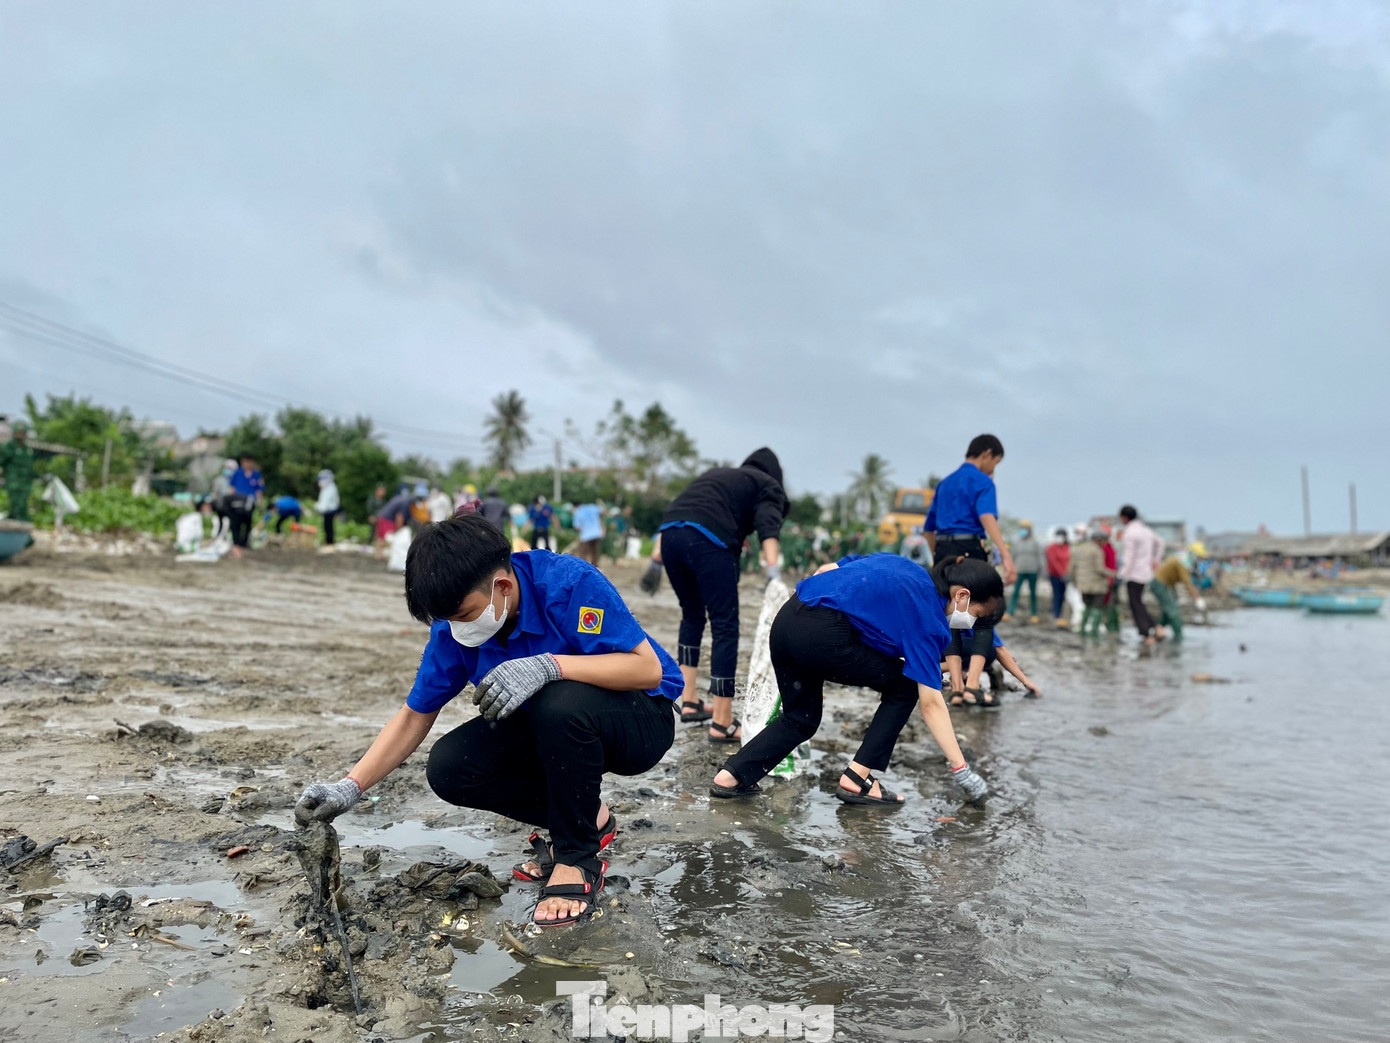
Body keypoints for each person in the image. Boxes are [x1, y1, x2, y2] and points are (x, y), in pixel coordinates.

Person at [293, 514, 681, 928]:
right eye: (446, 620)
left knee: (558, 700)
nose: (456, 628)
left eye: (464, 614)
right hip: (552, 729)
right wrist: (349, 787)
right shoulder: (453, 626)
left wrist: (552, 666)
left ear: (503, 586)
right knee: (451, 767)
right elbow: (414, 715)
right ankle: (590, 818)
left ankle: (576, 858)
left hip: (640, 717)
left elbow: (646, 670)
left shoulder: (568, 584)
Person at [709, 554, 994, 806]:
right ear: (962, 595)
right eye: (977, 614)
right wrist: (962, 770)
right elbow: (931, 704)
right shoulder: (929, 618)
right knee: (904, 688)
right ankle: (858, 778)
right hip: (823, 633)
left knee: (801, 718)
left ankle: (731, 776)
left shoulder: (902, 564)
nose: (971, 622)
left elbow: (828, 568)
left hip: (788, 619)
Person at [653, 448, 788, 739]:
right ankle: (722, 720)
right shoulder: (768, 486)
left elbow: (685, 510)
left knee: (692, 616)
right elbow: (767, 526)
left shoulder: (720, 477)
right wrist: (773, 572)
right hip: (708, 539)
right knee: (725, 625)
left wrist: (655, 560)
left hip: (670, 534)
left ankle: (689, 700)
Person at [924, 435, 1015, 583]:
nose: (993, 468)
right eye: (995, 462)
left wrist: (938, 557)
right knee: (971, 603)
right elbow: (986, 516)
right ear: (987, 454)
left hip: (942, 552)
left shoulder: (944, 484)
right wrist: (1006, 555)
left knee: (944, 603)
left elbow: (928, 530)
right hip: (969, 552)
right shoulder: (983, 482)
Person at [1116, 505, 1165, 646]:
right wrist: (1156, 560)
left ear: (1124, 517)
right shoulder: (1146, 530)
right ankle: (1156, 628)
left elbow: (1128, 558)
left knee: (1135, 604)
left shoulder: (1130, 533)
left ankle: (1146, 634)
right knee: (1139, 603)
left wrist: (1121, 575)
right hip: (1146, 572)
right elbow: (1161, 542)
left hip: (1134, 574)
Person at [1069, 527, 1115, 637]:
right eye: (1104, 540)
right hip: (1096, 586)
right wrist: (1114, 574)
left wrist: (1075, 581)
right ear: (1098, 540)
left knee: (1087, 607)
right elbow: (1100, 569)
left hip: (1082, 585)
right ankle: (1094, 631)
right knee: (1097, 607)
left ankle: (1084, 629)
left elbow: (1072, 567)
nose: (1105, 543)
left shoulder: (1080, 549)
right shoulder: (1097, 551)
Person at [1152, 553, 1205, 641]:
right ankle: (1179, 638)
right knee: (1173, 612)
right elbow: (1188, 585)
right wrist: (1198, 599)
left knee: (1168, 612)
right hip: (1160, 585)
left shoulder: (1177, 561)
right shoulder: (1182, 566)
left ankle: (1155, 630)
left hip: (1163, 585)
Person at [227, 454, 265, 558]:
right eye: (246, 461)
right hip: (237, 503)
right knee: (236, 524)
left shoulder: (256, 475)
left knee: (247, 524)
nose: (248, 464)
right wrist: (230, 501)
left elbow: (259, 490)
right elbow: (232, 487)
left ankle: (244, 545)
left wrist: (260, 502)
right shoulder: (237, 473)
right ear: (242, 462)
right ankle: (237, 544)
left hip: (249, 503)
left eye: (250, 461)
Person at [1006, 520, 1044, 622]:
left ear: (1030, 530)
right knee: (1016, 592)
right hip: (1019, 571)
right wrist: (1010, 568)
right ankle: (1010, 612)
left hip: (1032, 571)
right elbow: (1012, 556)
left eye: (1025, 528)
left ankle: (1034, 613)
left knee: (1033, 593)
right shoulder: (1017, 543)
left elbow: (1041, 557)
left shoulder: (1035, 543)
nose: (1023, 531)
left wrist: (1041, 569)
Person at [0, 418, 36, 522]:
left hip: (25, 482)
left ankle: (23, 527)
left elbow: (30, 466)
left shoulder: (27, 449)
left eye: (23, 433)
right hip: (13, 481)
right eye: (18, 433)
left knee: (23, 503)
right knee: (16, 504)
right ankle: (17, 523)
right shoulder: (8, 447)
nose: (21, 435)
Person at [1045, 528, 1071, 627]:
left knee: (1064, 596)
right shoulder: (1051, 548)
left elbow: (1070, 561)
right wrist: (1061, 574)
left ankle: (1062, 615)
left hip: (1066, 576)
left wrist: (1068, 573)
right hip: (1055, 575)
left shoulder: (1067, 547)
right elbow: (1053, 562)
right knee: (1057, 595)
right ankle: (1056, 616)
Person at [572, 500, 604, 565]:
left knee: (583, 552)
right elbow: (603, 512)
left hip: (586, 535)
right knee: (594, 551)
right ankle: (595, 566)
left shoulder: (577, 512)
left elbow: (578, 527)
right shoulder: (592, 507)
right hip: (596, 533)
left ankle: (583, 566)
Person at [314, 469, 341, 545]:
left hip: (330, 510)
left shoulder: (331, 488)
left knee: (329, 527)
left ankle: (330, 542)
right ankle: (328, 541)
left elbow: (326, 502)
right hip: (327, 511)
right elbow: (321, 501)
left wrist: (320, 508)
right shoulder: (326, 488)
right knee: (326, 526)